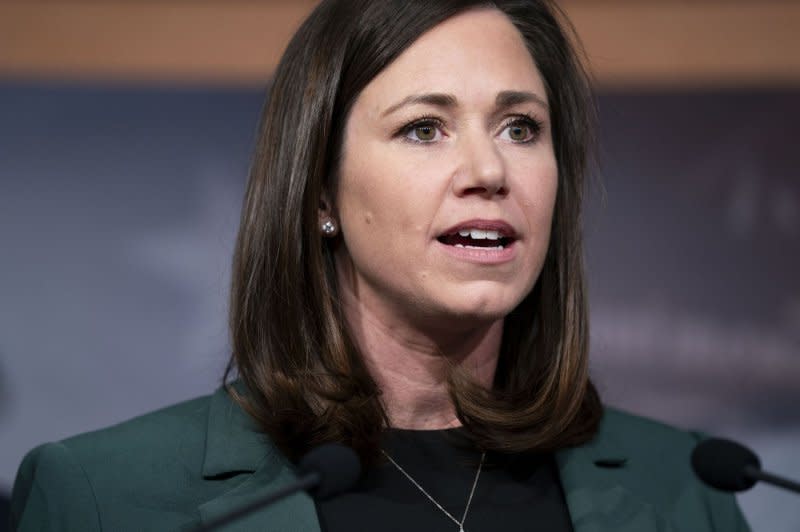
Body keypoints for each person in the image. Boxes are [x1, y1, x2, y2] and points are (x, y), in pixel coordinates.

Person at [11, 1, 750, 531]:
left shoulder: (687, 487)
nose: (489, 169)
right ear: (319, 192)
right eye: (424, 128)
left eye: (521, 127)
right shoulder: (105, 497)